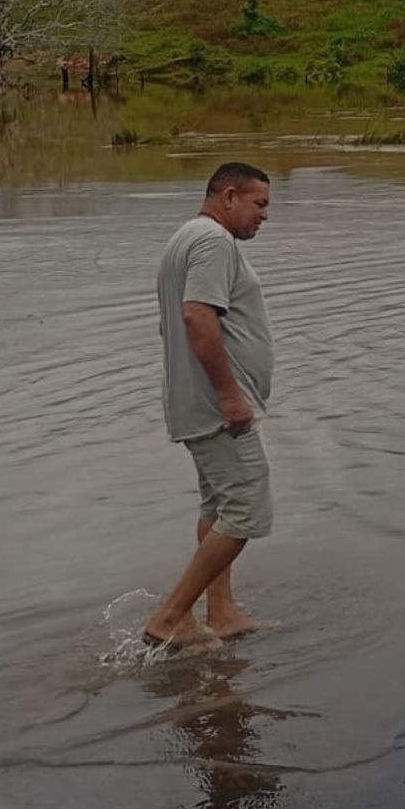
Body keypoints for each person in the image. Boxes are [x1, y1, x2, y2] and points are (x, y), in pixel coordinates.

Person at [143, 162, 277, 652]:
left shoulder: (187, 237)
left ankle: (221, 613)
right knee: (246, 512)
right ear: (228, 196)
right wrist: (229, 395)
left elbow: (172, 324)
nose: (264, 215)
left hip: (196, 402)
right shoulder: (212, 241)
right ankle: (171, 618)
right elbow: (196, 316)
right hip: (217, 408)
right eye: (259, 204)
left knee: (219, 506)